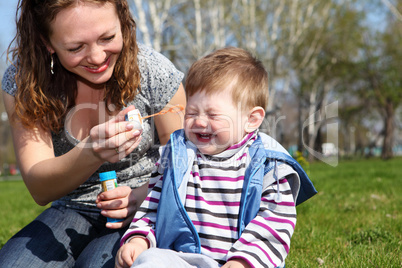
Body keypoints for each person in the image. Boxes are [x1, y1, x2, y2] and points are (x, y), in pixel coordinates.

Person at [0, 0, 186, 267]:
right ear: (47, 42)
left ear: (122, 23)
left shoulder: (155, 73)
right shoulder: (23, 82)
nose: (98, 57)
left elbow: (182, 166)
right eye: (76, 47)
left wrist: (140, 196)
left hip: (147, 209)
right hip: (70, 208)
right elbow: (40, 187)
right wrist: (91, 152)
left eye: (108, 37)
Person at [115, 47, 317, 268]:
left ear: (251, 119)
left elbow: (275, 223)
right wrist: (139, 238)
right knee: (150, 261)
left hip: (238, 261)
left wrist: (243, 261)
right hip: (182, 258)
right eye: (191, 113)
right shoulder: (178, 155)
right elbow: (154, 206)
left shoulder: (269, 165)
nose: (200, 122)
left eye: (213, 114)